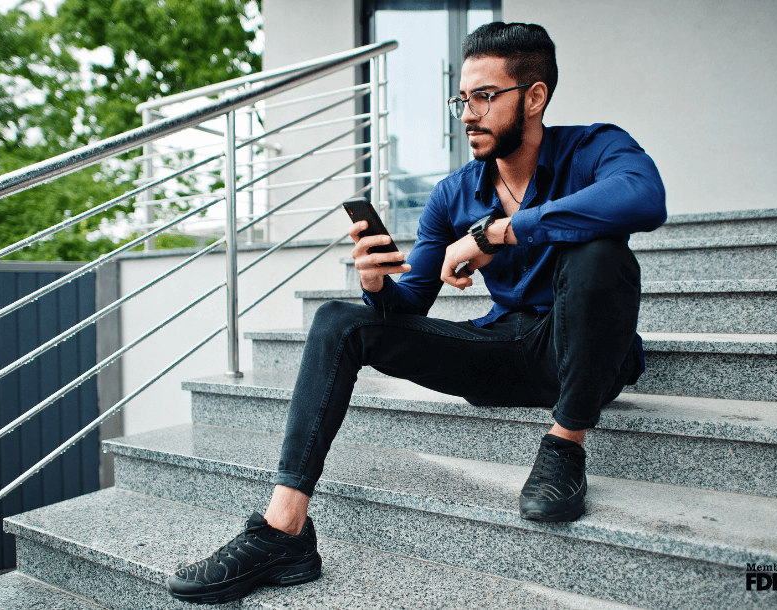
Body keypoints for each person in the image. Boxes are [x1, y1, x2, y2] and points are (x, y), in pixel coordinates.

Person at [166, 21, 666, 605]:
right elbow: (410, 304)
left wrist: (499, 233)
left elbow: (644, 197)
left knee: (601, 250)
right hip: (504, 350)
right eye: (462, 99)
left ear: (534, 97)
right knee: (338, 321)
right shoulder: (453, 194)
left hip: (588, 355)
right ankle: (285, 530)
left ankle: (566, 443)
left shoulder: (594, 148)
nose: (469, 114)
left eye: (485, 96)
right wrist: (377, 286)